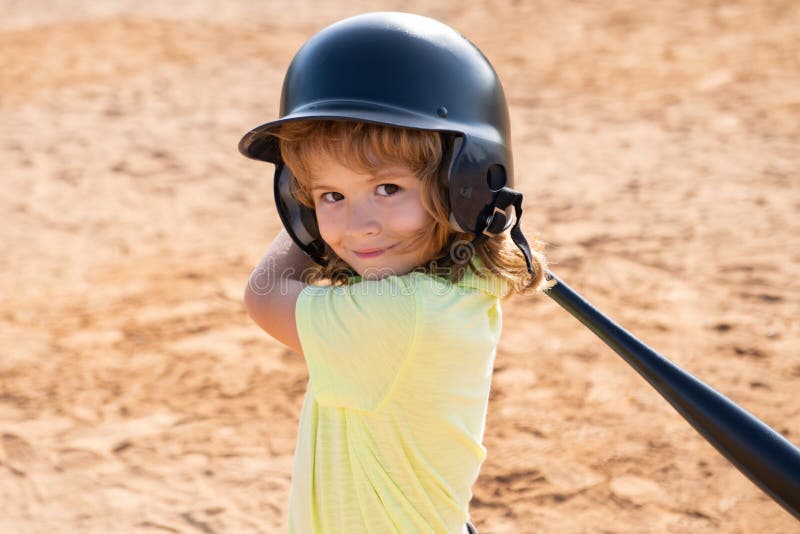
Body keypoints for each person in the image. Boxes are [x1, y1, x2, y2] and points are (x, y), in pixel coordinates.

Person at [240, 12, 549, 534]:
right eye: (330, 196)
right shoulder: (463, 282)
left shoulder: (400, 315)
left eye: (387, 188)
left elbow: (262, 296)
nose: (360, 226)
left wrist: (308, 225)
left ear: (463, 186)